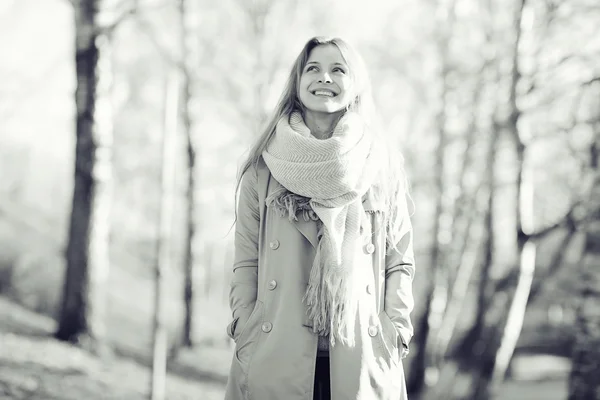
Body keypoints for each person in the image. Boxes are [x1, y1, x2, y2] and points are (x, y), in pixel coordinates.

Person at [224, 36, 416, 400]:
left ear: (355, 83)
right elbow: (246, 259)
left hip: (362, 354)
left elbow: (399, 260)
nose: (324, 78)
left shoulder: (381, 166)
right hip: (274, 352)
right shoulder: (263, 168)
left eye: (337, 69)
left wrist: (397, 331)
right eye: (313, 69)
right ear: (297, 84)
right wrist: (244, 325)